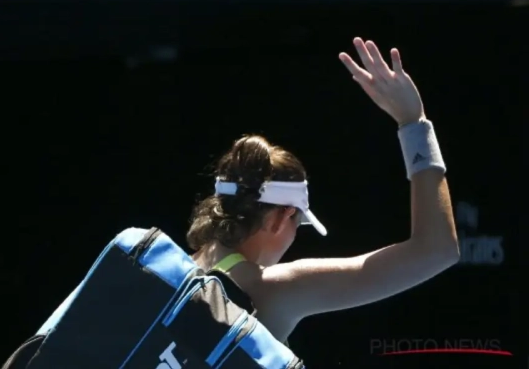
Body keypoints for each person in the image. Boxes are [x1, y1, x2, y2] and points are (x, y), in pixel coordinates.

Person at [189, 37, 460, 344]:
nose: (293, 237)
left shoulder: (175, 273)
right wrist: (413, 122)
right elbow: (437, 250)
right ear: (281, 217)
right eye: (297, 223)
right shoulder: (275, 290)